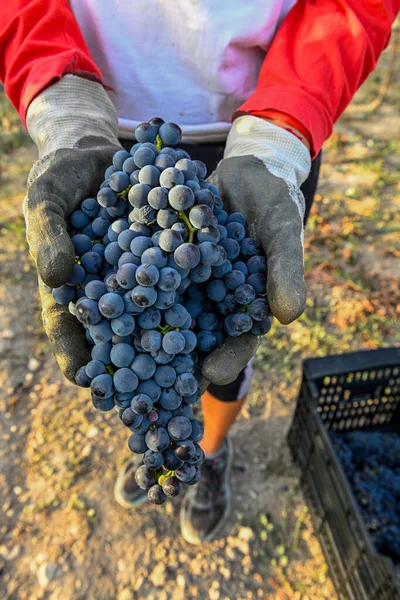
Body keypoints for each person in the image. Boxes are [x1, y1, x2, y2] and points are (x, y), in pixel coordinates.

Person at [0, 0, 397, 545]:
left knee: (229, 327)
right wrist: (58, 87)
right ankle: (174, 436)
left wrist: (284, 125)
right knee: (158, 334)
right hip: (102, 128)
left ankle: (209, 448)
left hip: (259, 126)